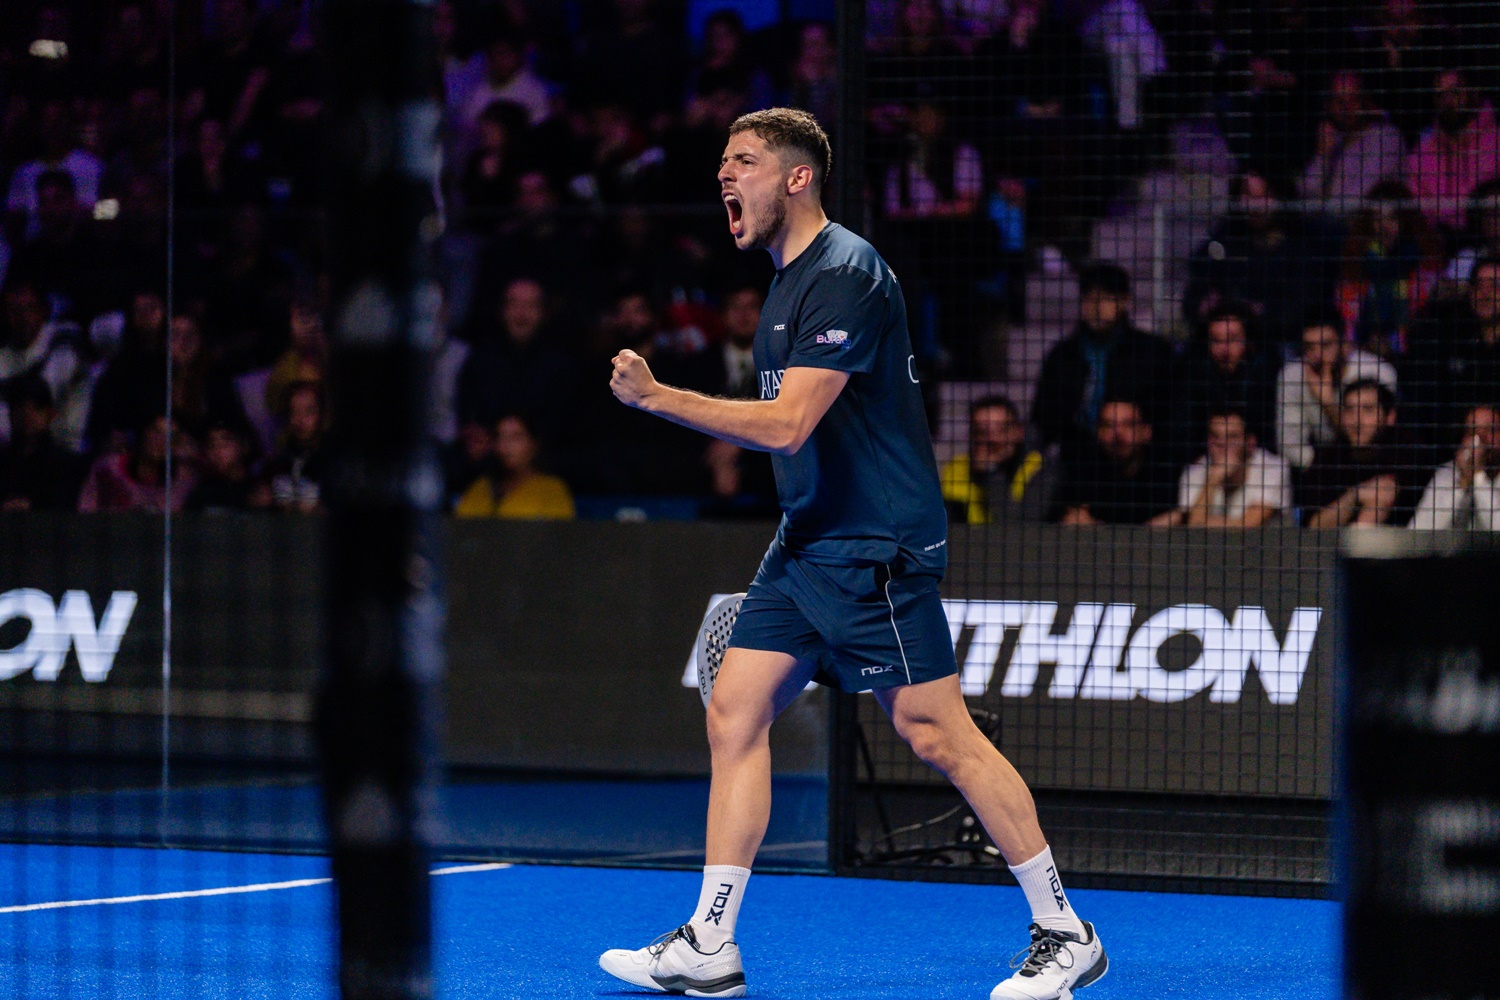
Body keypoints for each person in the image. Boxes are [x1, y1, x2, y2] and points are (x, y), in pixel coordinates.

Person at [598, 107, 1105, 1000]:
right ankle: (710, 944)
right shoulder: (785, 285)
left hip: (875, 546)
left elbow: (791, 423)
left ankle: (1065, 932)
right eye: (722, 162)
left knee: (933, 732)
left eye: (744, 161)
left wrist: (656, 397)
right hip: (807, 546)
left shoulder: (846, 273)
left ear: (797, 177)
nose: (726, 175)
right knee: (734, 711)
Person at [1030, 262, 1174, 464]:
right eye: (1089, 299)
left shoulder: (1153, 352)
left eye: (1106, 298)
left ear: (1124, 301)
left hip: (1138, 460)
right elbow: (1043, 417)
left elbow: (1167, 414)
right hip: (1074, 460)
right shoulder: (1063, 355)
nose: (1097, 307)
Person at [1276, 308, 1397, 470]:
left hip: (1376, 463)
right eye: (1310, 347)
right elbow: (1289, 445)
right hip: (1321, 470)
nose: (1317, 355)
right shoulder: (1292, 375)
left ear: (1345, 344)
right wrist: (1326, 472)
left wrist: (1328, 404)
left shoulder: (1377, 371)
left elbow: (1375, 438)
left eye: (1325, 345)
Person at [1298, 380, 1409, 528]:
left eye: (1368, 410)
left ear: (1390, 416)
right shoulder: (1327, 459)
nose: (1357, 420)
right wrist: (1354, 497)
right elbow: (1312, 527)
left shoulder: (1408, 457)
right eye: (1350, 410)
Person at [1055, 397, 1179, 526]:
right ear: (1098, 432)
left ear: (1146, 432)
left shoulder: (1167, 476)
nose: (1118, 434)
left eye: (1128, 424)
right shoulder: (1081, 475)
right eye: (1108, 425)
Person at [941, 394, 1057, 524]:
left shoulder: (1040, 469)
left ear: (1019, 432)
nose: (993, 440)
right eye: (982, 432)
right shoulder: (956, 468)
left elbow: (1019, 529)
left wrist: (990, 472)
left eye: (1001, 430)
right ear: (972, 436)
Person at [1167, 409, 1292, 528]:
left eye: (1232, 437)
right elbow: (1193, 526)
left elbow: (1248, 525)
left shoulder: (1273, 467)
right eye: (1215, 436)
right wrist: (1213, 479)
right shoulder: (1194, 472)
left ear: (1250, 444)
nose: (1221, 443)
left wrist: (1203, 522)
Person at [453, 413, 574, 519]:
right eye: (501, 437)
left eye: (516, 438)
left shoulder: (551, 489)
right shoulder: (481, 487)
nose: (506, 446)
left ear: (534, 444)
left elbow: (560, 536)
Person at [1409, 403, 1500, 530]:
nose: (1479, 439)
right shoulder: (1448, 473)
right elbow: (1419, 531)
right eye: (1471, 431)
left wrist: (1478, 476)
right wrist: (1461, 483)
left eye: (1490, 430)